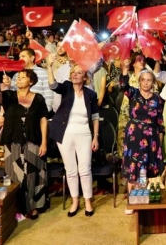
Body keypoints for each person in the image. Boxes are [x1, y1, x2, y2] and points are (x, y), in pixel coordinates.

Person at [0, 69, 48, 220]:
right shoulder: (9, 96)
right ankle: (16, 207)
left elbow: (43, 120)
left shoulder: (38, 98)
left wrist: (44, 142)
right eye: (18, 77)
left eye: (23, 77)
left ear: (31, 81)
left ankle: (33, 207)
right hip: (11, 141)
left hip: (33, 141)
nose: (19, 79)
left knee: (33, 175)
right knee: (15, 175)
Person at [47, 59, 99, 218]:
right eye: (73, 73)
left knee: (85, 169)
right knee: (70, 170)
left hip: (84, 133)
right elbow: (53, 86)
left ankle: (88, 201)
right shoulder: (66, 87)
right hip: (65, 133)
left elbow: (95, 117)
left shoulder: (91, 94)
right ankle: (75, 201)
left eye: (79, 72)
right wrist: (49, 66)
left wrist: (95, 137)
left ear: (85, 77)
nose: (75, 75)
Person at [117, 67, 164, 215]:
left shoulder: (157, 99)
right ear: (139, 81)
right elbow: (123, 86)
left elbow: (160, 121)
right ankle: (131, 201)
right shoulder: (134, 94)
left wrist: (160, 141)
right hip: (134, 135)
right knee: (133, 168)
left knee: (145, 169)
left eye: (149, 80)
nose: (146, 83)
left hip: (151, 137)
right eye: (143, 80)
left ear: (153, 82)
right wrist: (125, 70)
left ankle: (142, 199)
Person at [3, 43, 54, 116]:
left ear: (32, 58)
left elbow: (49, 96)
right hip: (18, 115)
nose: (20, 59)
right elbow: (9, 96)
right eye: (19, 57)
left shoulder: (43, 73)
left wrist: (42, 113)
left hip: (38, 115)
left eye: (23, 56)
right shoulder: (17, 75)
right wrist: (7, 86)